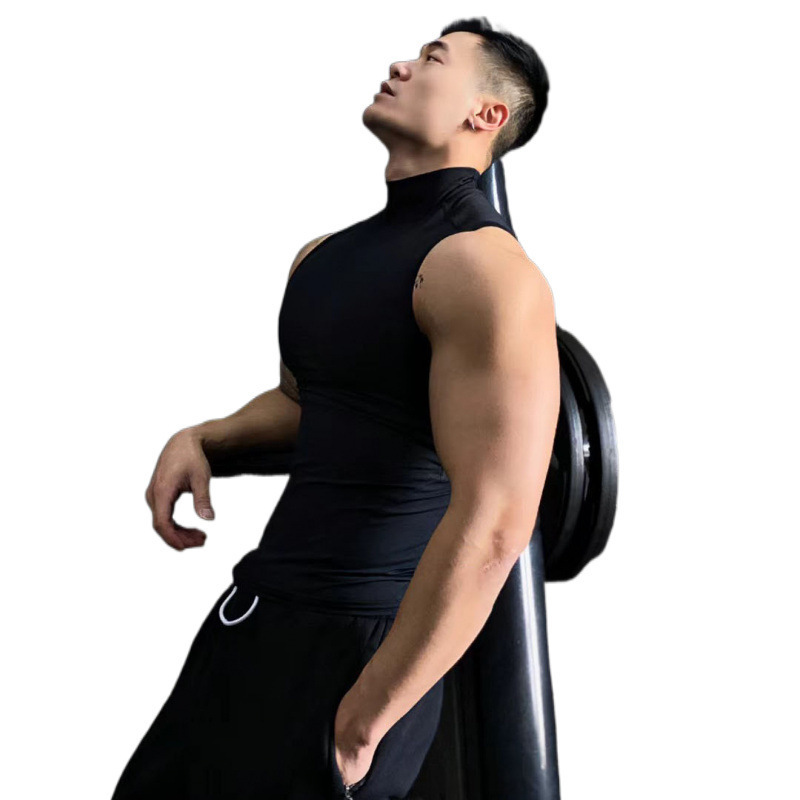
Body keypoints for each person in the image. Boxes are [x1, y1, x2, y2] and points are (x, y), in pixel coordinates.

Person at [111, 15, 559, 800]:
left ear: (485, 114)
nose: (402, 65)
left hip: (357, 652)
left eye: (433, 60)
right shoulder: (323, 257)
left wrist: (364, 722)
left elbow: (496, 523)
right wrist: (205, 439)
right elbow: (307, 406)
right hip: (253, 618)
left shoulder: (487, 271)